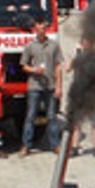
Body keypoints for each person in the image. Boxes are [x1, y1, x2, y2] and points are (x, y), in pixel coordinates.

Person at [19, 21, 65, 156]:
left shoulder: (54, 46)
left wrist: (59, 87)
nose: (41, 31)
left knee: (52, 117)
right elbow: (23, 66)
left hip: (50, 86)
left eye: (44, 28)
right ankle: (26, 145)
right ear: (35, 30)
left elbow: (58, 67)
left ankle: (55, 145)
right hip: (34, 86)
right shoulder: (30, 46)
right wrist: (34, 70)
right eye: (39, 29)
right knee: (30, 116)